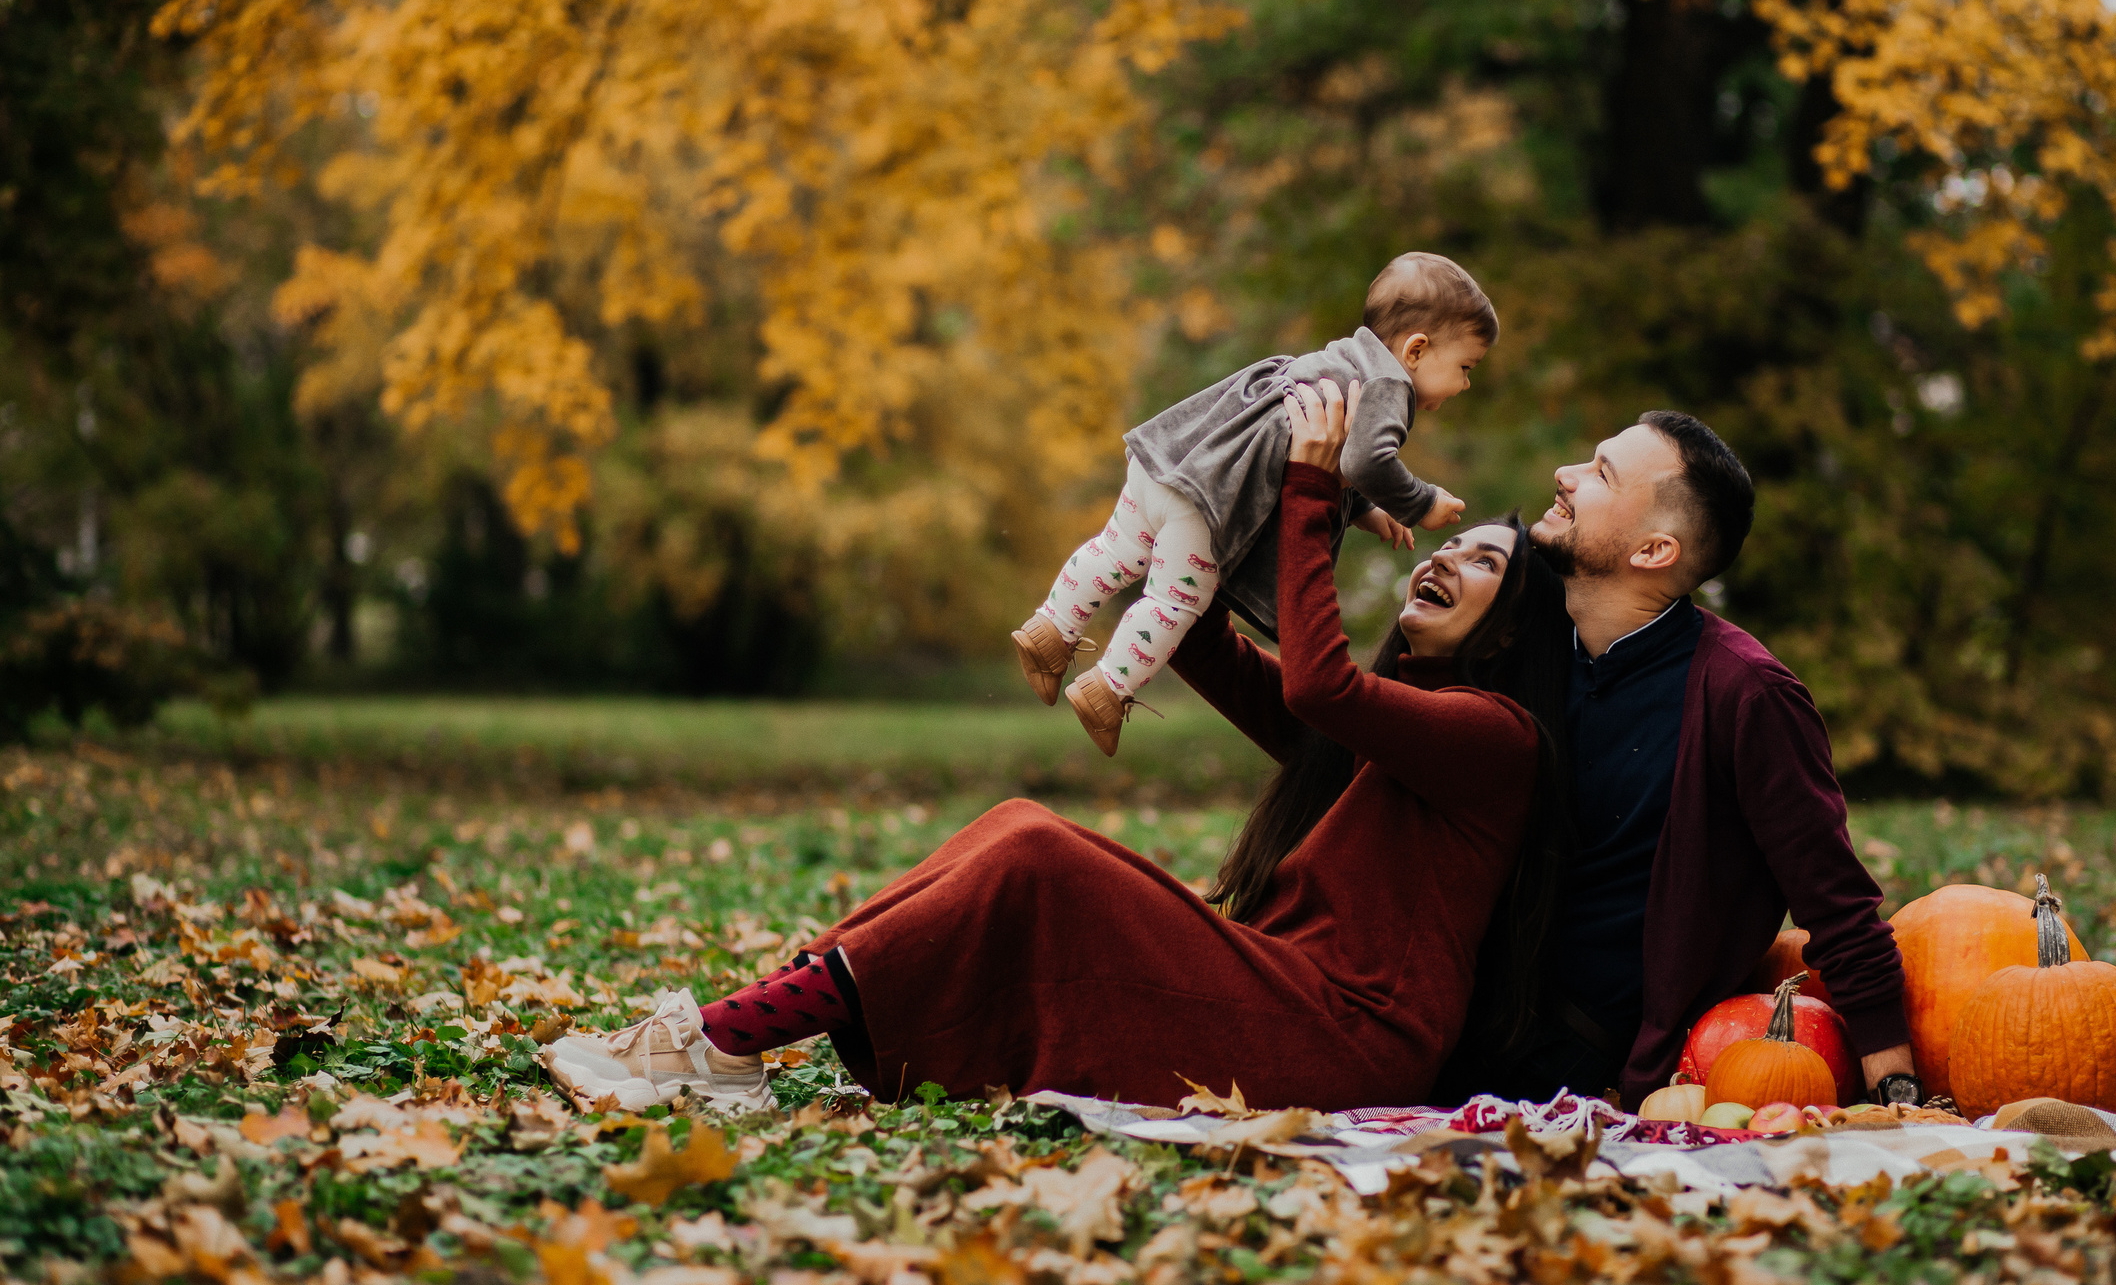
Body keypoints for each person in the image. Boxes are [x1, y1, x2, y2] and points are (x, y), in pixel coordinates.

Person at [542, 379, 1576, 1116]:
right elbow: (1208, 643)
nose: (1446, 555)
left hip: (1343, 1037)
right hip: (1285, 986)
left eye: (1484, 559)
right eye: (1451, 539)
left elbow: (1316, 681)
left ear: (1514, 626)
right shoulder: (1388, 730)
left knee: (1041, 859)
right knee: (1015, 825)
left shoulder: (1495, 740)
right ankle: (732, 1034)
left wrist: (1312, 497)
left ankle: (717, 1041)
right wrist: (1237, 491)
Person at [1435, 412, 1919, 1108]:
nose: (1564, 476)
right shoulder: (1529, 650)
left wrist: (1900, 1096)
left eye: (1600, 473)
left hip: (1583, 1065)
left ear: (1655, 549)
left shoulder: (1745, 693)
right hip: (1447, 1010)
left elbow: (1838, 905)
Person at [1012, 252, 1495, 756]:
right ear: (1415, 350)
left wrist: (1367, 512)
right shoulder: (1390, 388)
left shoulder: (1336, 360)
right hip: (1211, 503)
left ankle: (1049, 630)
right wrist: (1423, 501)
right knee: (1175, 602)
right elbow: (1368, 463)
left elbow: (1327, 458)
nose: (1465, 384)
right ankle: (1108, 691)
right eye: (1465, 367)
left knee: (1116, 551)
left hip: (1176, 458)